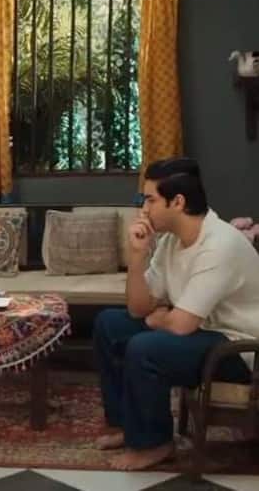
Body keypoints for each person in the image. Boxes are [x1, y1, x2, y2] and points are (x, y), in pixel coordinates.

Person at [93, 158, 258, 470]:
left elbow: (180, 325)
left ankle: (155, 444)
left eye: (150, 200)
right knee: (110, 325)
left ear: (178, 202)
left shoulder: (220, 244)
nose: (143, 209)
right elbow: (138, 308)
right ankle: (128, 426)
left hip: (239, 348)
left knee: (145, 348)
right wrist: (138, 256)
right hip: (203, 332)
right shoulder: (171, 241)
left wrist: (158, 319)